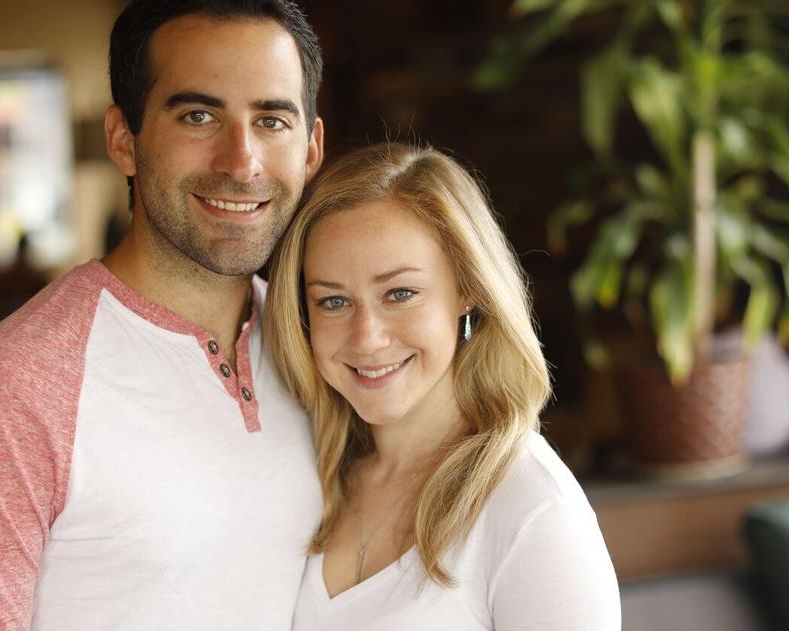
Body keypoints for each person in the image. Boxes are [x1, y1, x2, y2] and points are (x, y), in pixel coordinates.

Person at [0, 1, 325, 629]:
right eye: (199, 116)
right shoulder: (9, 394)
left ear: (311, 149)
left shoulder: (327, 348)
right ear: (123, 139)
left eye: (271, 120)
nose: (241, 161)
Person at [265, 143, 621, 630]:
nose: (366, 338)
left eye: (400, 293)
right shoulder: (316, 477)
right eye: (333, 302)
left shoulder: (533, 509)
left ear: (467, 290)